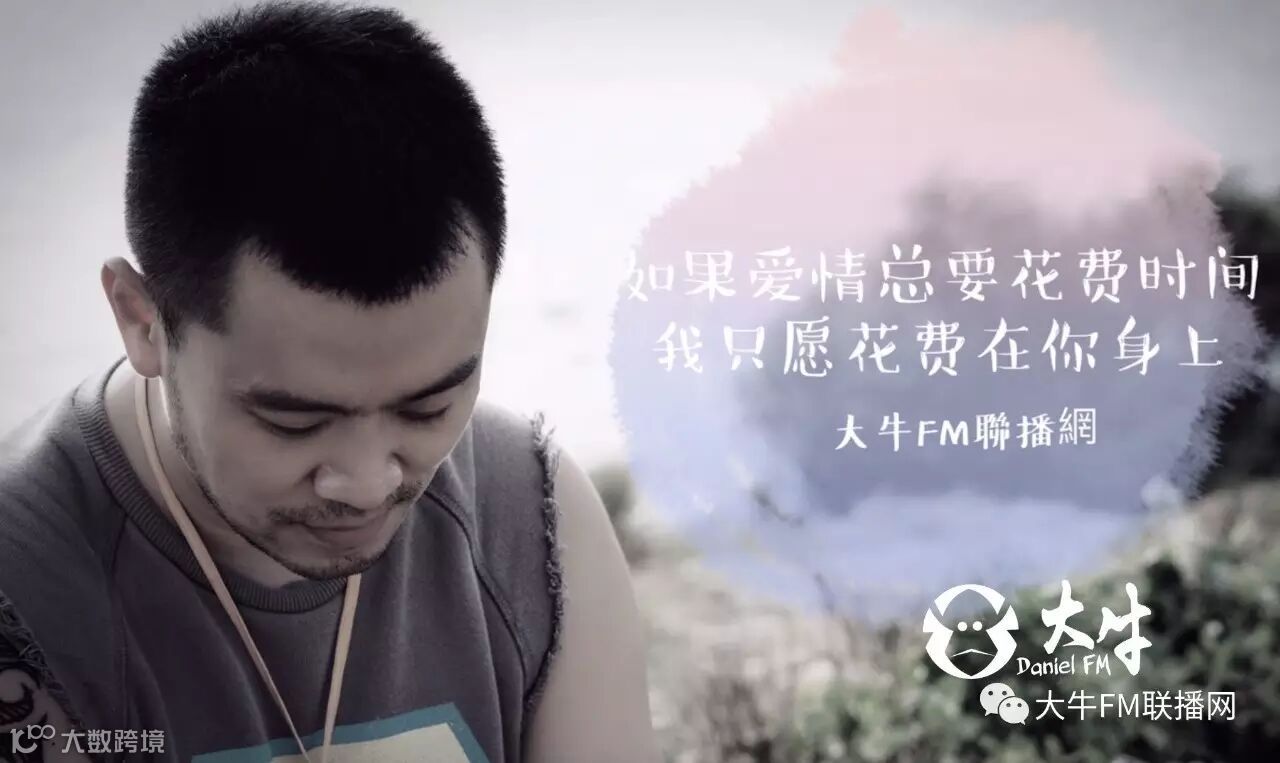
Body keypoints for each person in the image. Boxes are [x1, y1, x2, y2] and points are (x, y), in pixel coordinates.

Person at [0, 2, 656, 761]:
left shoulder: (531, 518)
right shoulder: (24, 585)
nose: (368, 483)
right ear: (143, 321)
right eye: (296, 422)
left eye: (428, 407)